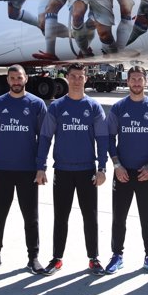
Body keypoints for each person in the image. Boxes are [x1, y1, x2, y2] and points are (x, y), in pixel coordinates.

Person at [35, 63, 109, 276]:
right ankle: (57, 258)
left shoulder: (94, 107)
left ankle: (94, 259)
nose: (77, 80)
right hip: (63, 171)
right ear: (66, 78)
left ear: (86, 79)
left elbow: (102, 139)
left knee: (90, 216)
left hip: (87, 171)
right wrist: (41, 167)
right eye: (73, 76)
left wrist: (102, 167)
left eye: (81, 76)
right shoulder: (57, 107)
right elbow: (46, 138)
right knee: (61, 217)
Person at [0, 64, 47, 274]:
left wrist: (41, 166)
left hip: (27, 170)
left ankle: (33, 258)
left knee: (30, 217)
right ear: (7, 80)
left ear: (26, 79)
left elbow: (43, 138)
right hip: (2, 170)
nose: (16, 81)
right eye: (12, 78)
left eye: (20, 78)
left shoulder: (36, 104)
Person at [104, 65, 148, 276]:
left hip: (145, 173)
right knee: (118, 217)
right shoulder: (119, 107)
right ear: (127, 81)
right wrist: (116, 165)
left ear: (145, 81)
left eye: (140, 79)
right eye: (133, 79)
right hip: (122, 172)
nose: (137, 83)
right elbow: (109, 138)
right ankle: (116, 256)